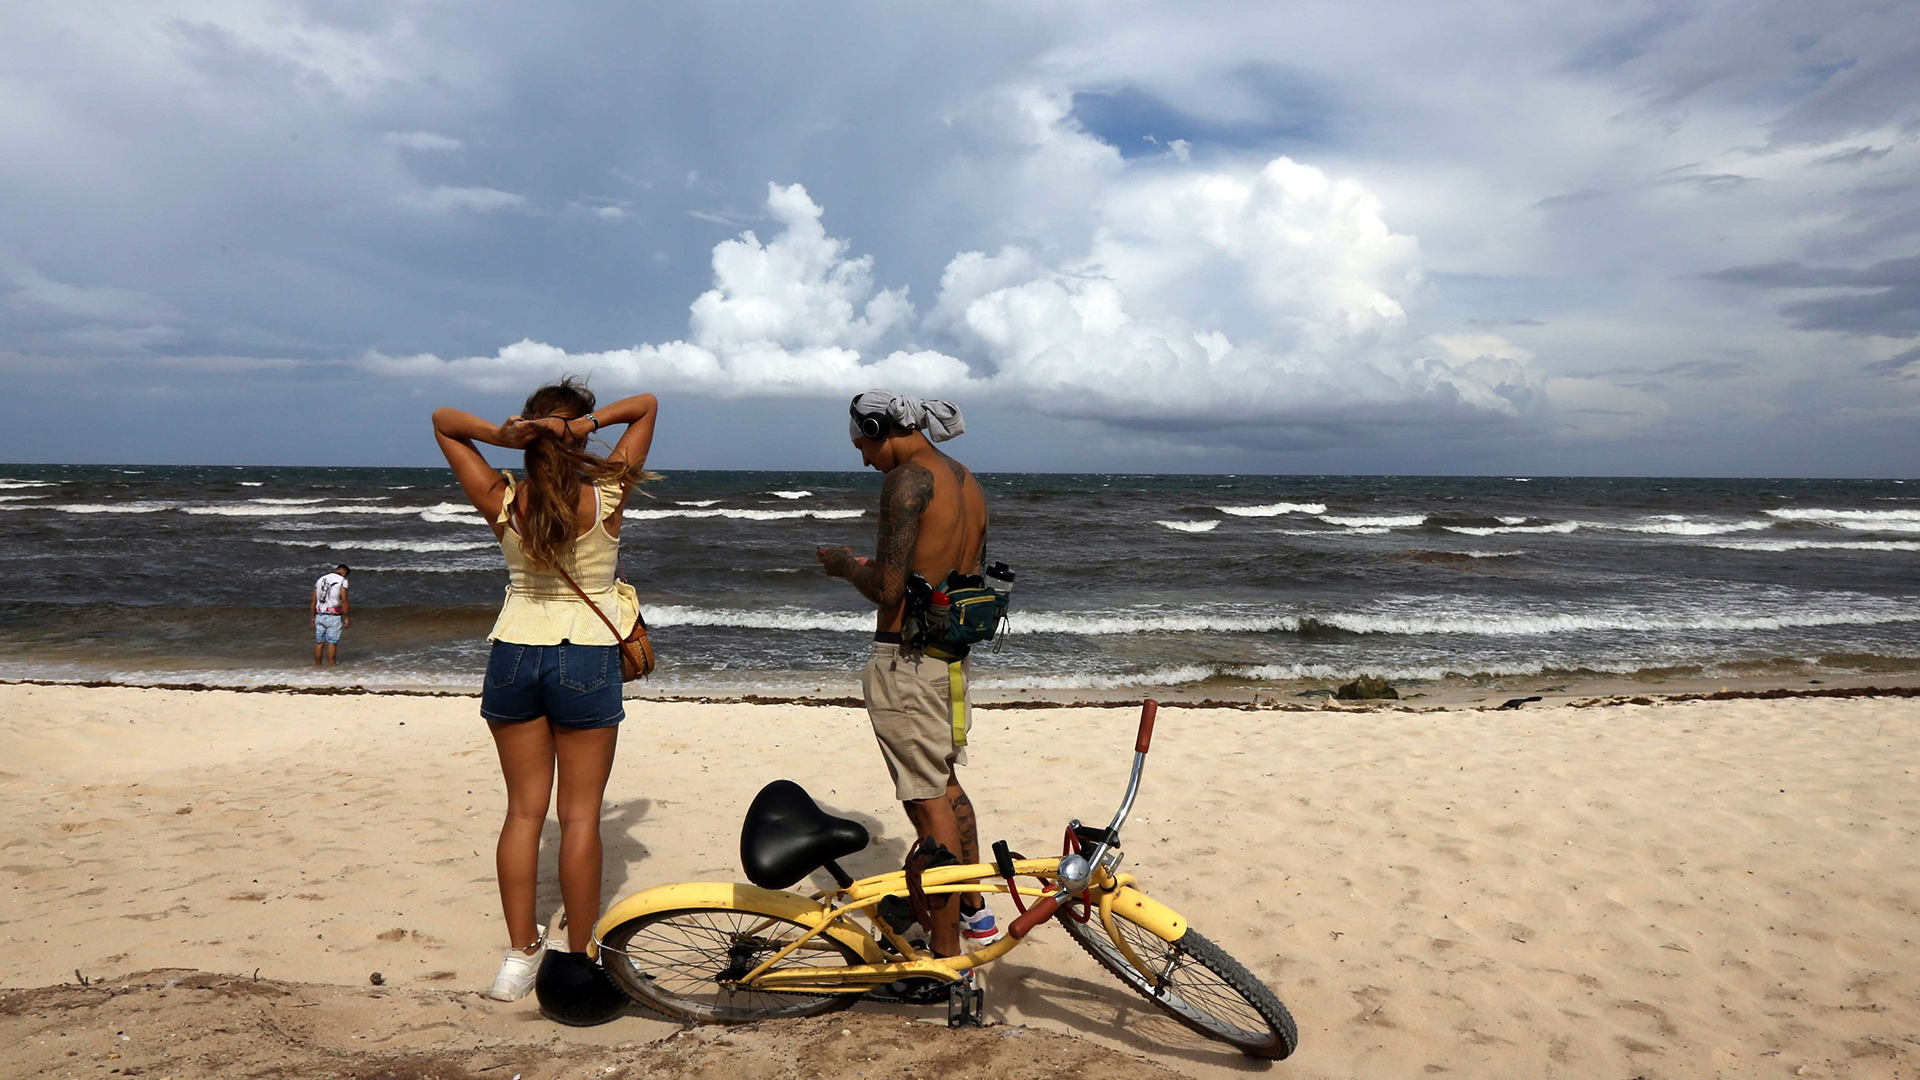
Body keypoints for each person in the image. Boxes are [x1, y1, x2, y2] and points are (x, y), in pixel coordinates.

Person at [431, 378, 659, 1003]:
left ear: (529, 435)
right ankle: (579, 955)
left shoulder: (504, 499)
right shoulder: (606, 492)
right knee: (580, 815)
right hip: (585, 654)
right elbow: (646, 405)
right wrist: (582, 426)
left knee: (524, 813)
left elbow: (444, 420)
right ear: (578, 434)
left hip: (513, 652)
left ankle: (518, 956)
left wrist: (503, 436)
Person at [816, 389, 997, 959]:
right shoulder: (965, 479)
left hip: (907, 662)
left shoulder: (907, 480)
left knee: (925, 803)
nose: (865, 459)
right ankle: (977, 916)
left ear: (879, 427)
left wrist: (846, 566)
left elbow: (891, 589)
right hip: (949, 658)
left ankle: (946, 956)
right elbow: (948, 571)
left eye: (863, 443)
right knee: (944, 785)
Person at [311, 564, 350, 665]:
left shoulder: (320, 579)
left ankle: (318, 667)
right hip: (333, 616)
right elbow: (344, 599)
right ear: (344, 573)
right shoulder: (342, 580)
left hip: (319, 614)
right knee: (332, 643)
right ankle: (331, 667)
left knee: (319, 643)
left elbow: (313, 601)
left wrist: (313, 616)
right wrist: (346, 617)